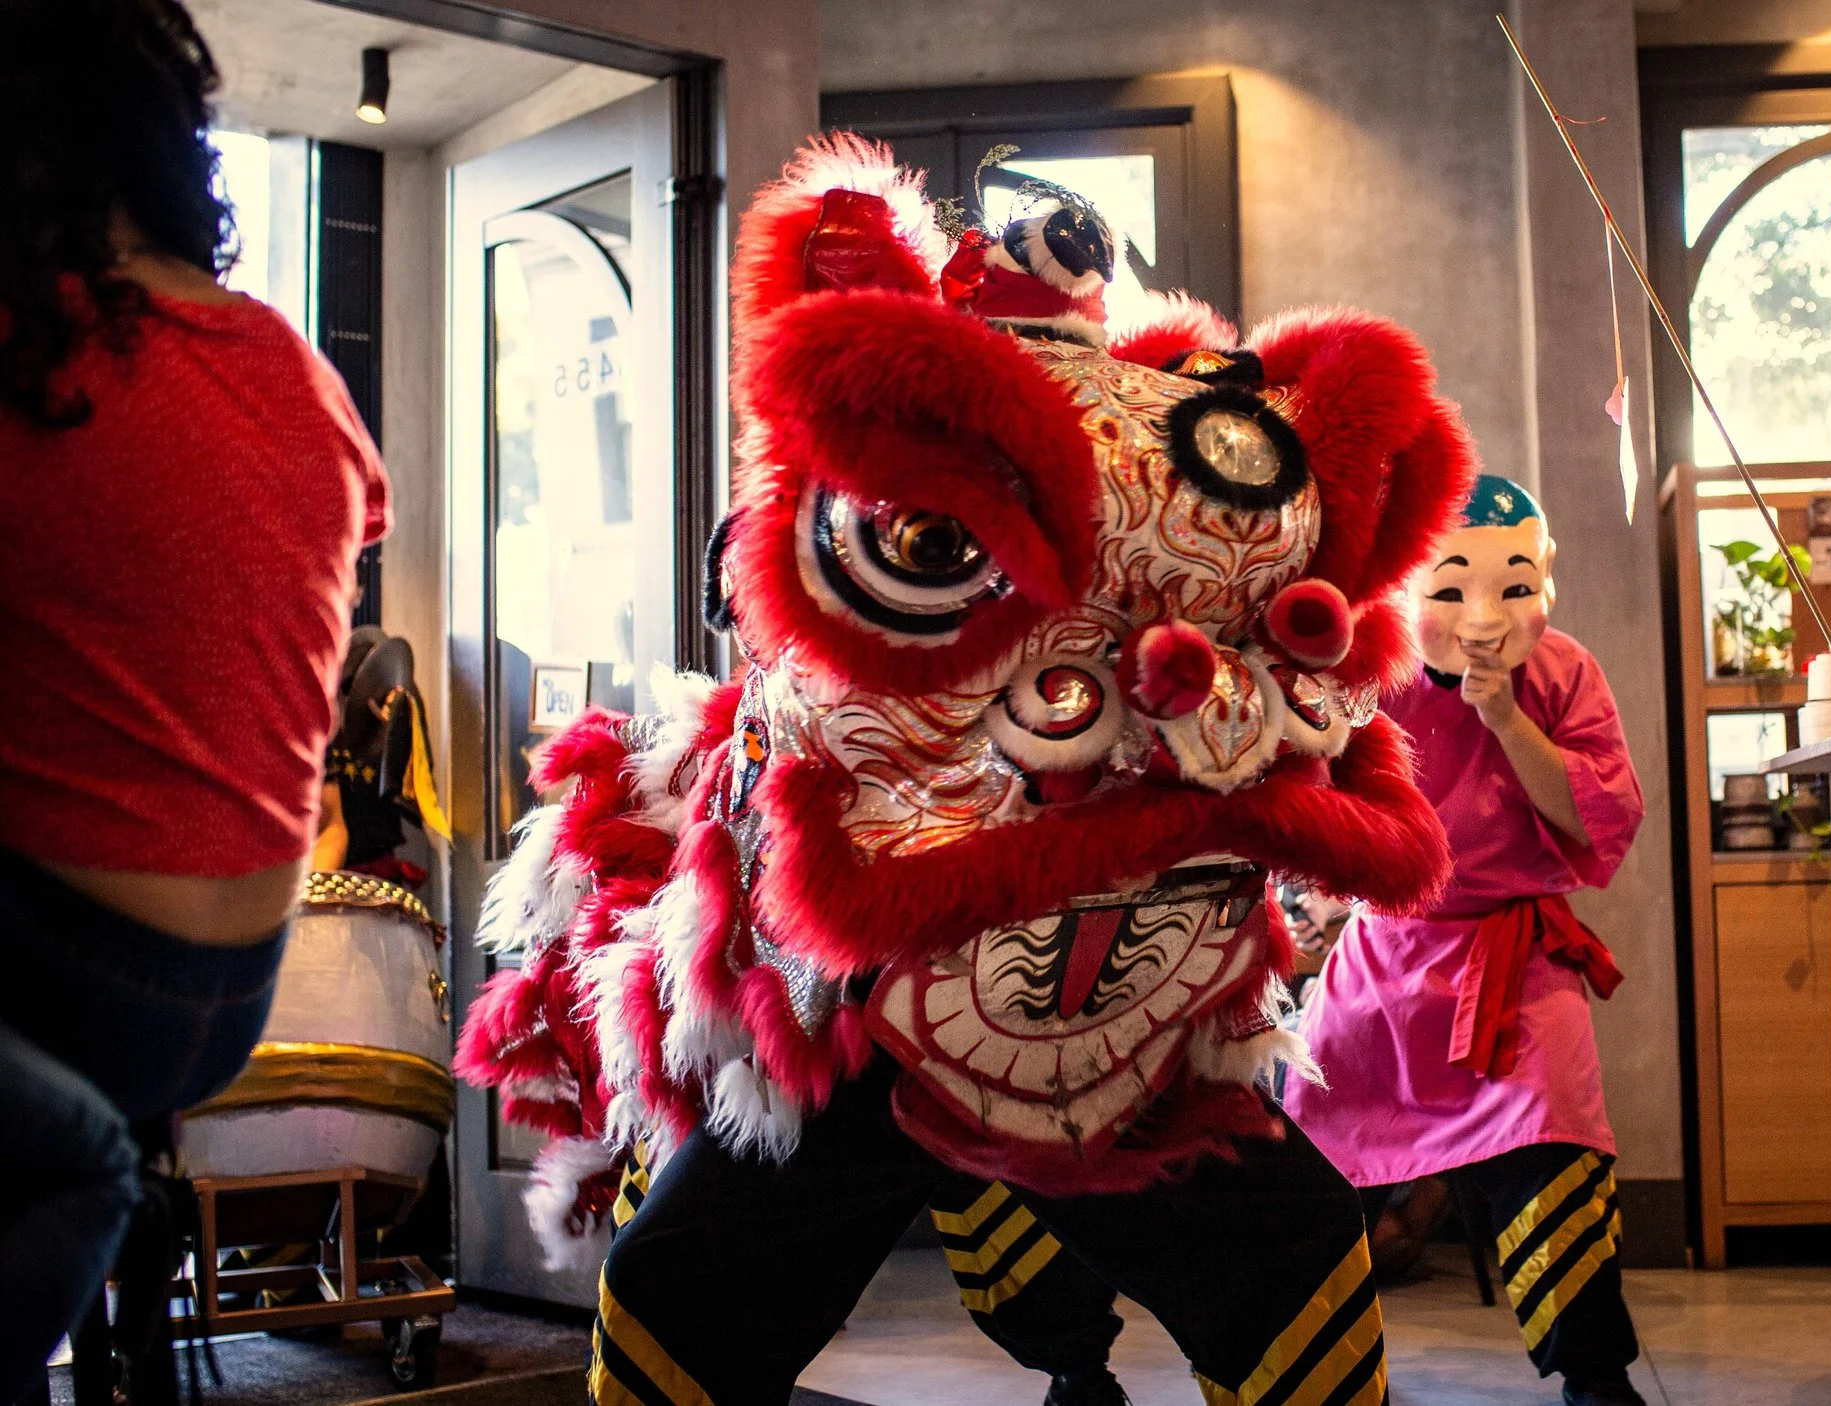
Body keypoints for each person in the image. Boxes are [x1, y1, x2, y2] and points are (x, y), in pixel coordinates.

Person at [454, 139, 1477, 1406]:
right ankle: (1058, 1340)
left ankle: (1067, 1351)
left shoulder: (1174, 447)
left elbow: (1314, 718)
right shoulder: (869, 499)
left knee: (1281, 1251)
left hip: (1123, 995)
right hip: (862, 1001)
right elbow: (824, 696)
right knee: (692, 1282)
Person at [0, 1, 391, 1398]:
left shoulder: (33, 339)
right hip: (227, 994)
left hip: (65, 964)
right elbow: (342, 540)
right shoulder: (292, 362)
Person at [1285, 475, 1651, 1406]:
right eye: (1447, 590)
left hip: (1516, 957)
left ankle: (1597, 1381)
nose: (1478, 613)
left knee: (1554, 1156)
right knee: (1305, 1170)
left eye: (1509, 586)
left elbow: (1597, 816)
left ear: (1545, 578)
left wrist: (1505, 716)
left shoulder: (1565, 671)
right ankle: (1297, 1371)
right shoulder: (1369, 670)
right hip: (1385, 958)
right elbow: (1316, 792)